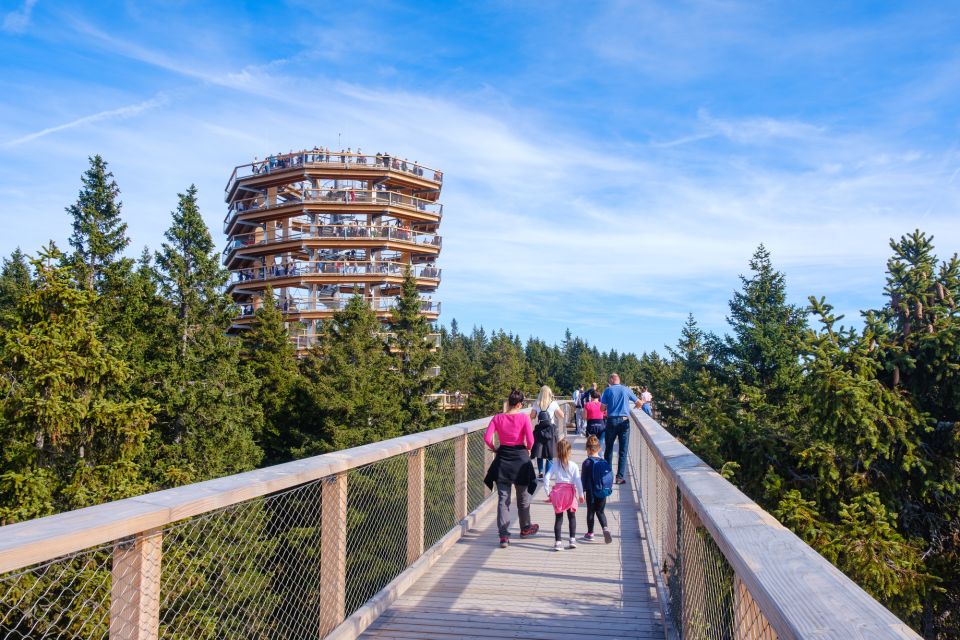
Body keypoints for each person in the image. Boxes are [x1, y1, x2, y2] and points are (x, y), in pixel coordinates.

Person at [483, 389, 540, 548]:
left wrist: (494, 448)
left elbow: (487, 437)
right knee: (523, 497)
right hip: (520, 460)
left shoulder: (498, 418)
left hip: (503, 459)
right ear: (520, 404)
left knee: (503, 499)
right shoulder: (523, 418)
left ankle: (503, 536)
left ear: (509, 403)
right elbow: (530, 441)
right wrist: (528, 449)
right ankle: (525, 528)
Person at [541, 439, 584, 551]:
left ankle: (558, 542)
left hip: (558, 494)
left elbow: (546, 478)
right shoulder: (574, 465)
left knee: (559, 519)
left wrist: (548, 493)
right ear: (569, 452)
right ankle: (572, 540)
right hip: (569, 493)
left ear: (558, 452)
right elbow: (578, 481)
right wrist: (581, 494)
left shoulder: (555, 465)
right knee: (572, 517)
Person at [600, 373, 642, 485]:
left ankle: (607, 477)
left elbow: (602, 408)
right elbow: (639, 403)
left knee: (609, 449)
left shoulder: (607, 390)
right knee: (623, 451)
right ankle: (619, 478)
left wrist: (609, 406)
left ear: (611, 380)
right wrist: (633, 408)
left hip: (611, 421)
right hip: (624, 422)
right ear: (618, 380)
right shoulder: (626, 389)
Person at [580, 435, 613, 544]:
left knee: (591, 512)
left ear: (588, 449)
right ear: (599, 449)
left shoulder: (587, 463)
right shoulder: (604, 462)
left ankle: (590, 534)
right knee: (600, 512)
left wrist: (582, 492)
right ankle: (605, 528)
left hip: (591, 492)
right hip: (602, 491)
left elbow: (583, 479)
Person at [529, 385, 563, 477]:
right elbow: (562, 415)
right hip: (550, 430)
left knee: (539, 452)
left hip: (540, 429)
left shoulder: (537, 403)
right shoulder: (553, 403)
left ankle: (540, 472)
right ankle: (547, 474)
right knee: (550, 454)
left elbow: (531, 416)